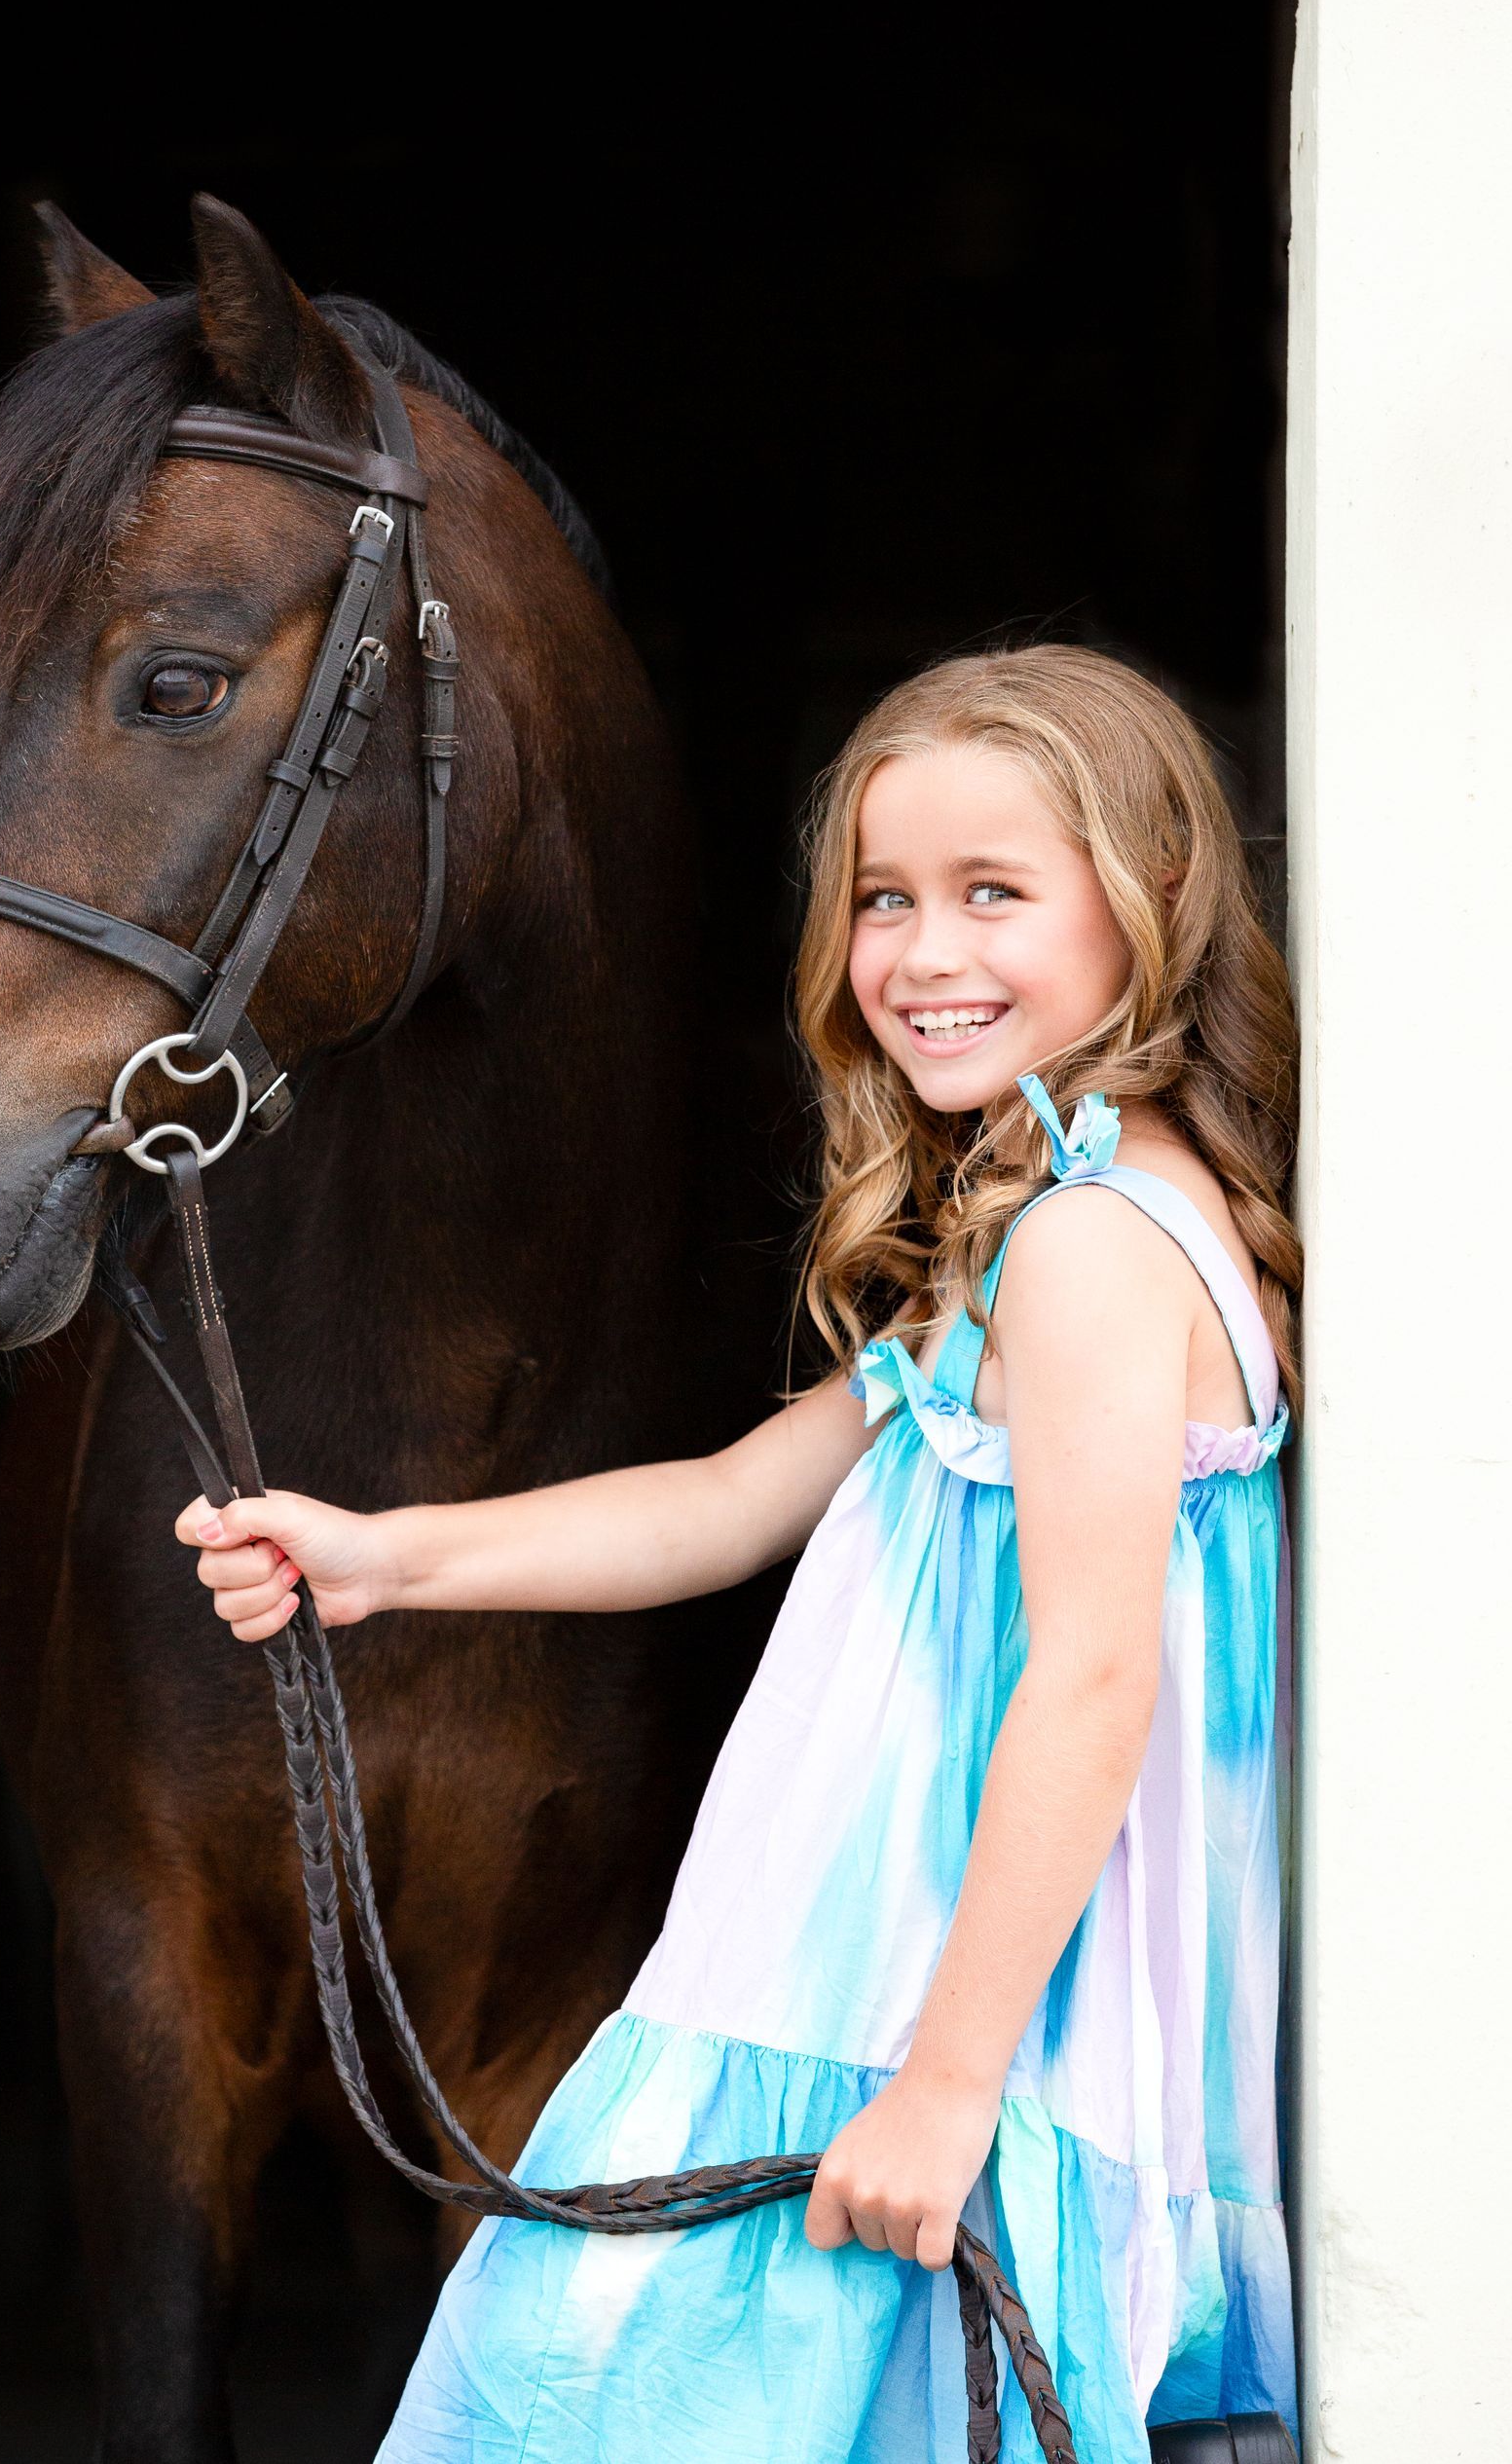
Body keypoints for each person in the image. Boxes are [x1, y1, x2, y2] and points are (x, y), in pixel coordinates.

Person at [179, 646, 1302, 2461]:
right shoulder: (1036, 1223)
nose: (925, 957)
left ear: (1154, 900)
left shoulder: (1097, 1247)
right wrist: (384, 1557)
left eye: (993, 895)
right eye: (885, 901)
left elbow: (1098, 1675)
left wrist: (944, 2092)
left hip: (947, 2030)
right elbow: (728, 1497)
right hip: (899, 2013)